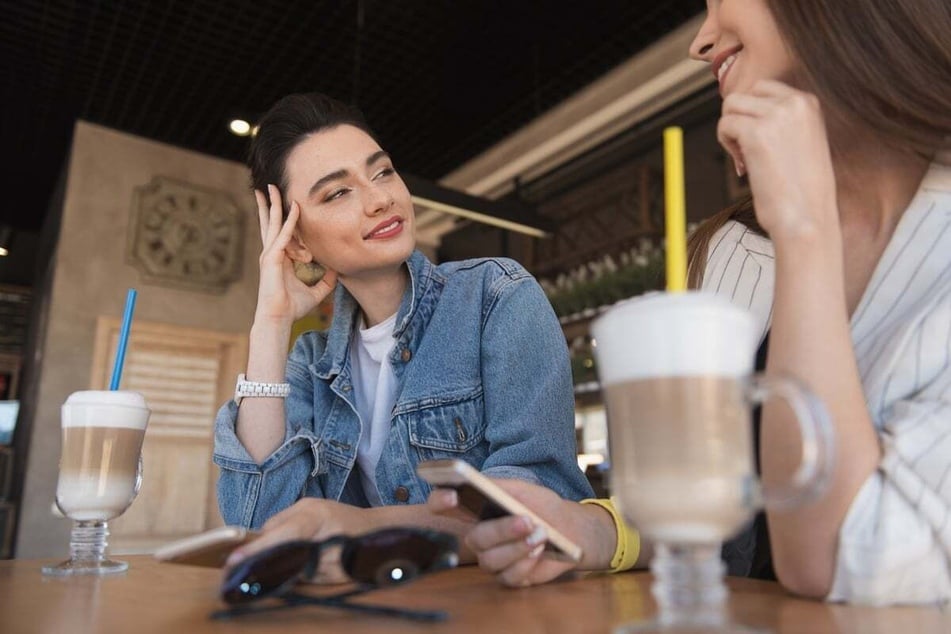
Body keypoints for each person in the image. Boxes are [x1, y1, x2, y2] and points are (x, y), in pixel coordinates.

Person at [432, 0, 951, 605]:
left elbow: (842, 557)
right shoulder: (737, 246)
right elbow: (705, 498)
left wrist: (805, 230)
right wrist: (593, 530)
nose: (700, 43)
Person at [212, 92, 593, 562]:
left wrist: (362, 528)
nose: (380, 198)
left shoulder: (496, 296)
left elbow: (533, 503)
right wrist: (269, 323)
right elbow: (258, 522)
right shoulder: (312, 363)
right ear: (298, 243)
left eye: (383, 171)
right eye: (337, 192)